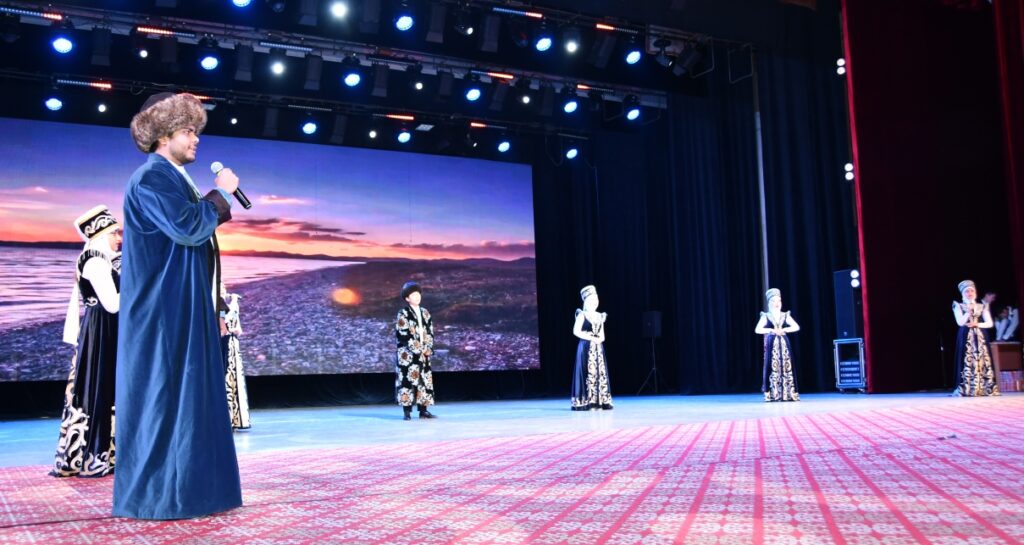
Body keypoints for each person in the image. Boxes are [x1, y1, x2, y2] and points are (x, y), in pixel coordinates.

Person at [113, 92, 242, 519]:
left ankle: (192, 490)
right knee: (166, 398)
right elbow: (188, 227)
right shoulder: (153, 177)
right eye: (188, 130)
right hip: (162, 312)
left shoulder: (172, 177)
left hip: (180, 303)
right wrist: (221, 195)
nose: (196, 139)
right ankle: (160, 497)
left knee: (187, 399)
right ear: (164, 134)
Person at [51, 206, 122, 478]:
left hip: (106, 329)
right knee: (97, 387)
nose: (119, 238)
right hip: (101, 331)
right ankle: (94, 456)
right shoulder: (94, 261)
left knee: (106, 386)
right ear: (101, 234)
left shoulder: (103, 259)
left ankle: (106, 453)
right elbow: (113, 304)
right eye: (114, 233)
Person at [395, 281, 437, 420]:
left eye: (418, 294)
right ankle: (407, 412)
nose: (417, 297)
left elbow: (430, 332)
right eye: (413, 295)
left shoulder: (425, 312)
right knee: (407, 381)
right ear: (407, 298)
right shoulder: (403, 313)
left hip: (423, 354)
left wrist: (428, 348)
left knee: (424, 381)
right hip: (407, 354)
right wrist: (419, 349)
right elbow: (403, 334)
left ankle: (423, 410)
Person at [951, 280, 999, 396]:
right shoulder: (958, 305)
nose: (970, 293)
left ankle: (984, 387)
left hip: (980, 336)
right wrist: (968, 312)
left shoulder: (982, 306)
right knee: (967, 360)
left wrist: (977, 324)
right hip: (966, 336)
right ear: (963, 294)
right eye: (967, 291)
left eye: (972, 291)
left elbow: (990, 323)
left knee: (983, 360)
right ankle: (967, 388)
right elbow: (960, 322)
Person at [570, 285, 613, 410]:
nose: (595, 302)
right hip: (585, 347)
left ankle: (599, 401)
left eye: (596, 299)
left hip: (598, 348)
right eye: (592, 299)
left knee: (599, 373)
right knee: (586, 373)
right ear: (587, 301)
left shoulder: (600, 316)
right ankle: (586, 401)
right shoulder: (582, 315)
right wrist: (590, 337)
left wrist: (598, 339)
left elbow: (602, 335)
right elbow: (576, 331)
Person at [755, 288, 800, 402]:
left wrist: (784, 329)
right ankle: (773, 393)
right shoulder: (766, 316)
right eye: (774, 301)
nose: (777, 303)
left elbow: (796, 327)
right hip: (772, 344)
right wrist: (771, 330)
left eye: (779, 301)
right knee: (772, 367)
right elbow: (758, 330)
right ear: (769, 303)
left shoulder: (785, 315)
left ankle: (788, 393)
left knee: (786, 366)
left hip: (784, 344)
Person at [220, 283, 251, 431]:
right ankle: (226, 418)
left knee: (235, 377)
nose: (223, 291)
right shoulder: (220, 307)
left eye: (224, 288)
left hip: (233, 343)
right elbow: (223, 328)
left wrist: (234, 329)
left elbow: (239, 330)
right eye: (220, 288)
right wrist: (233, 303)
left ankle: (236, 419)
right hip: (224, 343)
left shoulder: (231, 306)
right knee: (226, 377)